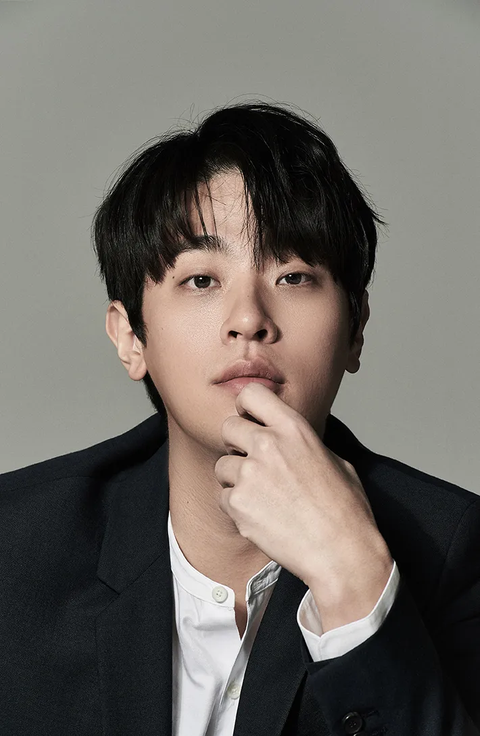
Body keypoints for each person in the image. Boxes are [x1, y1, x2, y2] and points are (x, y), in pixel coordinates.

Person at [1, 102, 479, 736]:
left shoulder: (456, 554)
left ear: (356, 328)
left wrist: (353, 581)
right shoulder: (17, 546)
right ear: (130, 337)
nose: (249, 318)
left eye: (294, 275)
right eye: (202, 280)